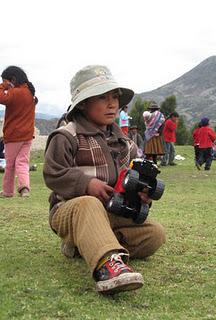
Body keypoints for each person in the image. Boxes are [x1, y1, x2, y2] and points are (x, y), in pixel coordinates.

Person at [43, 65, 166, 295]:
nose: (112, 104)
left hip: (111, 212)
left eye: (115, 98)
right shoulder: (66, 136)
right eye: (102, 97)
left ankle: (86, 244)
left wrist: (140, 196)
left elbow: (131, 177)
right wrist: (85, 184)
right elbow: (53, 173)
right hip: (71, 211)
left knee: (155, 234)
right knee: (88, 203)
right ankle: (107, 267)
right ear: (83, 103)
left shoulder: (125, 143)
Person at [0, 66, 38, 197]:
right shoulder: (29, 93)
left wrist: (3, 86)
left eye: (5, 81)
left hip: (13, 135)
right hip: (27, 135)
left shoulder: (15, 93)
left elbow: (1, 98)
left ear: (13, 80)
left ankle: (8, 191)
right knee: (22, 162)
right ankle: (24, 188)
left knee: (10, 165)